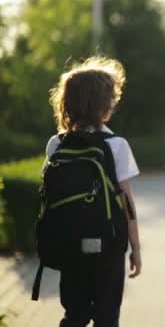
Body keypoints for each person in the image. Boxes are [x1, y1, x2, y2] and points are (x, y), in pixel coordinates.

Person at [46, 56, 142, 327]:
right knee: (106, 316)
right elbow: (127, 204)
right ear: (105, 107)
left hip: (69, 241)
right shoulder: (117, 145)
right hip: (109, 246)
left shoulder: (56, 143)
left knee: (74, 314)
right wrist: (135, 247)